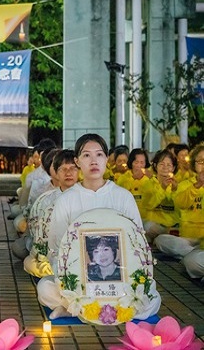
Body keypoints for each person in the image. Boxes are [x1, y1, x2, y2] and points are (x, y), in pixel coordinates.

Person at [37, 133, 160, 320]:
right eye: (86, 155)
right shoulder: (66, 200)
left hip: (119, 281)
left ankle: (75, 310)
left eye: (99, 155)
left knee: (152, 293)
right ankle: (89, 307)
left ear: (106, 159)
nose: (93, 161)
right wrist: (71, 279)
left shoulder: (123, 196)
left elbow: (136, 243)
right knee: (45, 288)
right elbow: (57, 246)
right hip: (79, 280)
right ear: (78, 161)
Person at [154, 144, 204, 266]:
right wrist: (197, 185)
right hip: (188, 240)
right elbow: (181, 203)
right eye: (200, 161)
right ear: (193, 164)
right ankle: (193, 257)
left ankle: (192, 260)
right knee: (161, 240)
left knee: (192, 263)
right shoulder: (184, 185)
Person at [140, 149, 179, 242]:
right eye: (162, 164)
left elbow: (181, 210)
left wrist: (175, 190)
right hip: (153, 226)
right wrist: (162, 188)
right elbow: (149, 205)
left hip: (172, 228)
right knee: (147, 227)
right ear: (155, 166)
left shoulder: (177, 185)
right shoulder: (148, 184)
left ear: (173, 168)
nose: (165, 167)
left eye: (169, 165)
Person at [116, 148, 151, 219]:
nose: (139, 166)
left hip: (145, 218)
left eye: (142, 162)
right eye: (136, 162)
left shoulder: (149, 178)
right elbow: (120, 194)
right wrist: (134, 177)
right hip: (126, 216)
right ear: (131, 162)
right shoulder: (123, 178)